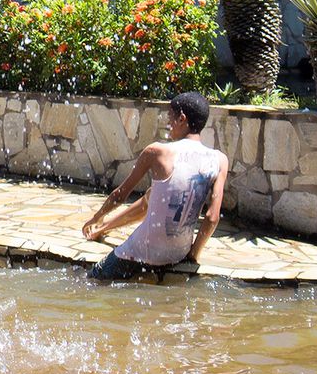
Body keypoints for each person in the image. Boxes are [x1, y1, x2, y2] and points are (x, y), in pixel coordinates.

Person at [81, 92, 229, 281]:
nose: (169, 125)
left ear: (182, 118)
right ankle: (103, 229)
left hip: (139, 252)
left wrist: (95, 217)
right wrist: (193, 255)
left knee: (89, 281)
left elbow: (120, 195)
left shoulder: (158, 151)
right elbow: (212, 217)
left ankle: (99, 229)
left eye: (170, 118)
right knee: (154, 194)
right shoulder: (219, 160)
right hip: (177, 254)